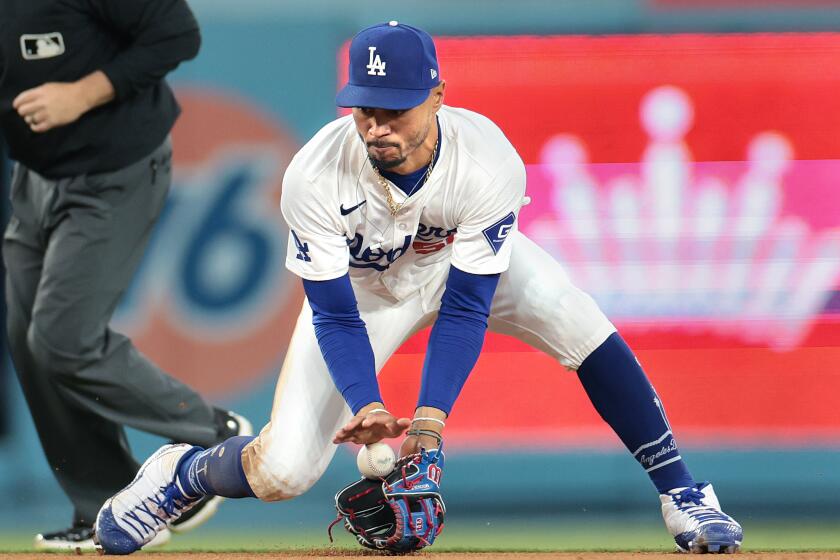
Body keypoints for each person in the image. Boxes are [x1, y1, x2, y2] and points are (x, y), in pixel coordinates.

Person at [94, 21, 742, 555]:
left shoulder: (485, 159)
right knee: (285, 470)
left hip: (454, 271)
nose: (377, 127)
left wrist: (427, 430)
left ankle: (684, 493)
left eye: (395, 109)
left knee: (574, 317)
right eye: (364, 110)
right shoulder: (314, 177)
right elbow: (335, 316)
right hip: (364, 300)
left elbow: (465, 307)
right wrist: (366, 404)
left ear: (436, 97)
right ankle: (185, 473)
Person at [0, 0, 252, 552]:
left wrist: (81, 92)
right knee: (28, 340)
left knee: (64, 338)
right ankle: (111, 505)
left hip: (113, 174)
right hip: (35, 178)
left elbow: (178, 34)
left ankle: (211, 434)